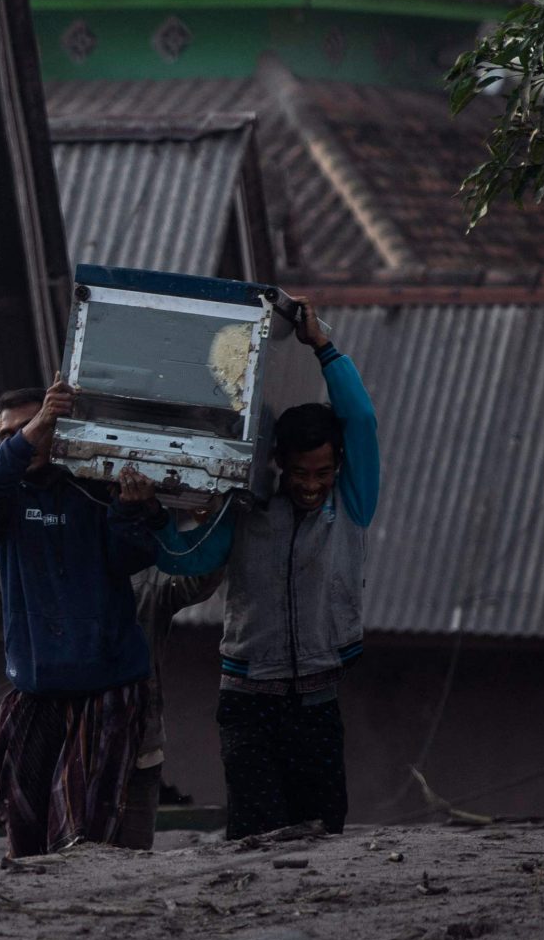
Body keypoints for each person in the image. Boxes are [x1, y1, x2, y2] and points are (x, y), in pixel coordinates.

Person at [154, 298, 379, 840]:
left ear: (339, 467)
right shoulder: (246, 509)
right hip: (248, 701)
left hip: (319, 701)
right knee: (255, 835)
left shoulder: (351, 505)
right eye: (300, 472)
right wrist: (151, 510)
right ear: (278, 463)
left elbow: (363, 420)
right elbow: (185, 557)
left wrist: (323, 348)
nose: (310, 484)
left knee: (323, 833)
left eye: (323, 471)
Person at [0, 381, 167, 854]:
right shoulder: (3, 504)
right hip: (37, 689)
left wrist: (129, 509)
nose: (29, 439)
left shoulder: (94, 487)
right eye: (11, 434)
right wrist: (34, 428)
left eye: (41, 426)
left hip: (106, 688)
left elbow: (132, 558)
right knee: (26, 826)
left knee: (85, 827)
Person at [0, 505, 219, 818]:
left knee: (128, 848)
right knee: (61, 848)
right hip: (59, 743)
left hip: (134, 740)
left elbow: (199, 578)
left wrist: (209, 528)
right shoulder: (45, 574)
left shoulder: (148, 578)